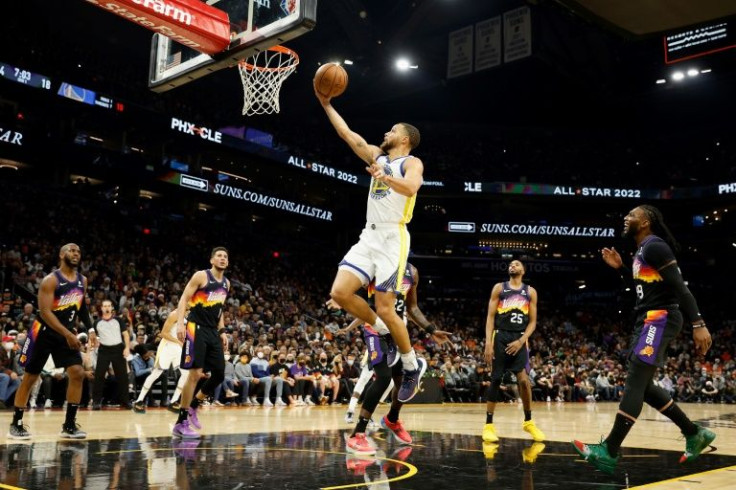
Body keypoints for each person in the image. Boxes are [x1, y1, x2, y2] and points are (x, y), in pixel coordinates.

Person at [573, 205, 715, 474]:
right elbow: (649, 286)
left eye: (631, 215)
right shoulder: (641, 251)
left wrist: (699, 323)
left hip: (660, 317)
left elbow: (679, 287)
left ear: (646, 221)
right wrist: (622, 268)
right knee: (644, 385)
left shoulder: (655, 246)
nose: (625, 218)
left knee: (635, 378)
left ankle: (610, 450)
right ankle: (694, 432)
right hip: (647, 318)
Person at [315, 87, 425, 403]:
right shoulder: (376, 155)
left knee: (386, 307)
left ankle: (410, 364)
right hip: (369, 235)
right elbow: (348, 134)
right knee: (339, 292)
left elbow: (412, 187)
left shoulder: (411, 162)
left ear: (404, 139)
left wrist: (385, 177)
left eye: (393, 131)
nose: (386, 133)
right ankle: (386, 333)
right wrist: (326, 104)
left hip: (393, 238)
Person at [335, 263, 451, 454]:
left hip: (398, 330)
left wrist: (431, 329)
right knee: (383, 377)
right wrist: (342, 299)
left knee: (402, 381)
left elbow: (412, 307)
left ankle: (392, 419)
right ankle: (358, 434)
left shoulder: (412, 271)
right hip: (375, 329)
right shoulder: (376, 263)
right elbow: (358, 293)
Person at [8, 243, 91, 439]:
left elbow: (81, 307)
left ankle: (69, 425)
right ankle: (16, 423)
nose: (76, 253)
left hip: (65, 333)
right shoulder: (50, 280)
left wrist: (92, 328)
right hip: (42, 331)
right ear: (62, 254)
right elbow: (45, 313)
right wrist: (69, 334)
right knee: (30, 376)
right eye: (71, 250)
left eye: (78, 251)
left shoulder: (82, 281)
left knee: (77, 373)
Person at [482, 260, 545, 445]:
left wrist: (521, 340)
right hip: (500, 336)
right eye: (511, 264)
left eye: (517, 264)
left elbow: (533, 322)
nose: (513, 266)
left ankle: (528, 422)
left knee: (524, 381)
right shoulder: (499, 288)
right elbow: (490, 316)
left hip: (519, 338)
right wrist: (488, 342)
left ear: (523, 270)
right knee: (495, 379)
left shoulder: (530, 291)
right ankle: (488, 426)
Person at [172, 247, 230, 438]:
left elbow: (219, 309)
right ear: (212, 259)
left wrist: (222, 331)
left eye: (225, 257)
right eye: (219, 256)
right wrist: (180, 323)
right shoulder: (201, 276)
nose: (222, 259)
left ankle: (193, 407)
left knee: (219, 374)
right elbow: (183, 299)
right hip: (194, 327)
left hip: (212, 331)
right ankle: (180, 423)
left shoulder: (226, 284)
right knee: (195, 374)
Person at [133, 309, 190, 413]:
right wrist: (178, 341)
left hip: (178, 348)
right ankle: (139, 401)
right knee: (156, 373)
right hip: (167, 347)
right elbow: (163, 333)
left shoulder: (189, 314)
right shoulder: (174, 314)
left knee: (186, 374)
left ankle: (173, 401)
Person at [91, 299, 131, 410]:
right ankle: (96, 402)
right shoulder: (97, 322)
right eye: (105, 306)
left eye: (109, 306)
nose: (107, 308)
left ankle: (125, 401)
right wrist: (93, 345)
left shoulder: (118, 320)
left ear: (112, 307)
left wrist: (127, 348)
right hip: (104, 350)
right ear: (101, 308)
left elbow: (126, 335)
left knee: (122, 377)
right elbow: (92, 338)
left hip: (118, 349)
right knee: (99, 376)